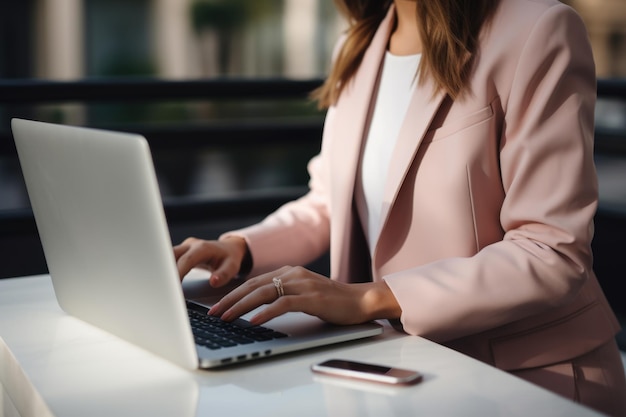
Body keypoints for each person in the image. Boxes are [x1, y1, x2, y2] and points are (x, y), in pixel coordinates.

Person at [174, 0, 626, 414]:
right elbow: (332, 199)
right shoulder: (359, 46)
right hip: (402, 369)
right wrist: (241, 247)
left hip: (526, 378)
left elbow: (551, 251)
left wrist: (370, 298)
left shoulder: (537, 29)